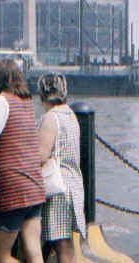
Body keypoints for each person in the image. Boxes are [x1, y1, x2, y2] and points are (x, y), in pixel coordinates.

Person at [0, 59, 45, 263]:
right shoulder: (26, 103)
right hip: (35, 185)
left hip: (15, 188)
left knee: (0, 256)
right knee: (34, 251)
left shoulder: (0, 101)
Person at [37, 73, 86, 263]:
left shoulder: (51, 117)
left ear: (42, 94)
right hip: (73, 186)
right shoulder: (70, 115)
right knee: (66, 247)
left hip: (58, 190)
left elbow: (41, 155)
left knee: (62, 248)